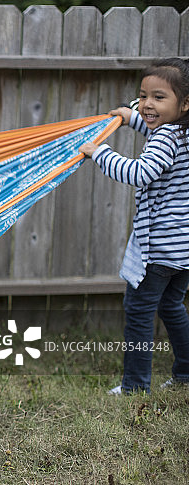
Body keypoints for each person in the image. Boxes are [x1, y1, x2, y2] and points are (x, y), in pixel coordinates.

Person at [79, 57, 189, 394]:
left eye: (158, 97)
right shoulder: (182, 131)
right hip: (183, 248)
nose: (146, 104)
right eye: (142, 96)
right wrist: (131, 118)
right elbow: (156, 128)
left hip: (158, 248)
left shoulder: (164, 139)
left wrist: (100, 153)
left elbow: (139, 172)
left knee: (139, 311)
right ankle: (185, 372)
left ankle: (135, 385)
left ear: (184, 103)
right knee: (171, 305)